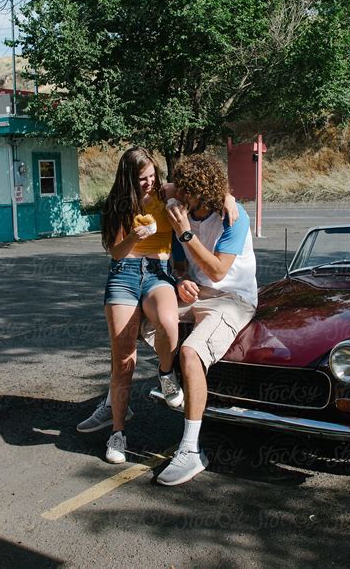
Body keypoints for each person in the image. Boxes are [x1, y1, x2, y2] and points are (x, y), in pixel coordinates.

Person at [77, 147, 238, 466]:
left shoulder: (166, 195)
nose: (149, 182)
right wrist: (134, 237)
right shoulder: (117, 205)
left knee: (168, 325)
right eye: (142, 179)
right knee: (124, 359)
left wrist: (229, 199)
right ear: (128, 180)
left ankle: (166, 373)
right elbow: (116, 253)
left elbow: (208, 188)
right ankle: (118, 433)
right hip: (124, 275)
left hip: (157, 273)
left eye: (152, 176)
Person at [150, 153, 257, 486]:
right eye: (178, 189)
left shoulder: (233, 219)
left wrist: (185, 233)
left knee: (191, 353)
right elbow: (182, 266)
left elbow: (217, 270)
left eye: (187, 192)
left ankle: (191, 450)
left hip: (232, 299)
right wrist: (180, 279)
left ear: (204, 193)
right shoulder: (180, 200)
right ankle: (169, 381)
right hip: (198, 296)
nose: (179, 196)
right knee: (142, 319)